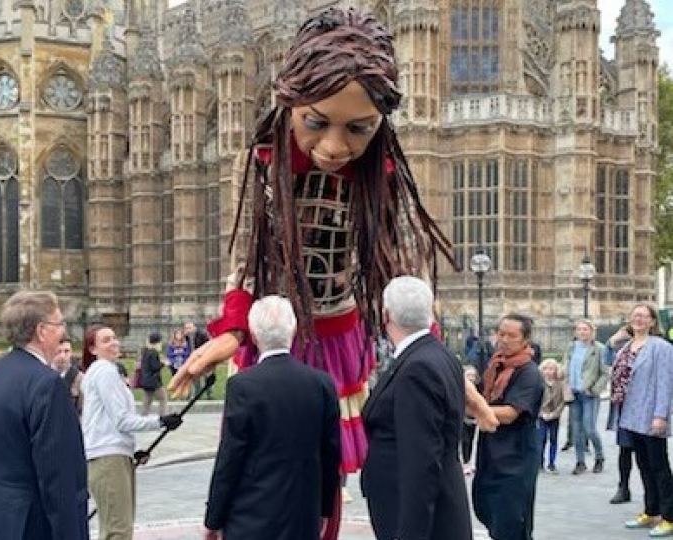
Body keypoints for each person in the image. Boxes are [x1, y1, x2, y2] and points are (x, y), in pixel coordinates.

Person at [168, 8, 496, 537]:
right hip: (281, 328)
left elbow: (395, 268)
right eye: (316, 123)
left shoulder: (379, 174)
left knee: (327, 467)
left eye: (359, 128)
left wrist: (444, 365)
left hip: (341, 331)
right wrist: (228, 332)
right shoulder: (260, 163)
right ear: (289, 103)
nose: (335, 146)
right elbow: (245, 261)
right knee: (270, 454)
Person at [203, 295, 340, 540]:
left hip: (252, 515)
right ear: (294, 330)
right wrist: (324, 510)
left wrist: (213, 519)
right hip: (302, 515)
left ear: (253, 335)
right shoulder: (322, 383)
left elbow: (231, 457)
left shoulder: (242, 385)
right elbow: (330, 455)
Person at [361, 276, 471, 540]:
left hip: (418, 518)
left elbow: (420, 458)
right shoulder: (439, 355)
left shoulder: (416, 369)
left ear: (386, 315)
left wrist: (410, 533)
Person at [0, 291, 88, 540]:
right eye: (59, 324)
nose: (63, 333)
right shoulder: (47, 385)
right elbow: (58, 475)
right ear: (42, 331)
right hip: (34, 524)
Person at [81, 325, 183, 540]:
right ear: (92, 349)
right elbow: (122, 420)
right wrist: (161, 421)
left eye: (114, 337)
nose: (114, 342)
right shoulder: (104, 371)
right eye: (106, 340)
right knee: (118, 531)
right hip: (107, 457)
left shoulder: (108, 371)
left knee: (117, 528)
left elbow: (109, 421)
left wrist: (131, 451)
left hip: (113, 455)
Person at [472, 313, 544, 540]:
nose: (503, 339)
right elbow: (478, 394)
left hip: (516, 458)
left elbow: (510, 413)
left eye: (510, 335)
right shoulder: (495, 366)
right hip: (491, 454)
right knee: (489, 511)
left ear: (525, 340)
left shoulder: (529, 373)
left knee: (512, 522)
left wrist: (475, 408)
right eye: (500, 333)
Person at [615, 303, 673, 537]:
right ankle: (651, 510)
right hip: (630, 415)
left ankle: (669, 516)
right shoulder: (626, 347)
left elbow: (666, 383)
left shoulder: (661, 347)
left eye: (643, 316)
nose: (638, 319)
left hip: (651, 415)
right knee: (643, 465)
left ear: (652, 321)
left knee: (659, 467)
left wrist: (661, 415)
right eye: (635, 315)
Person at [561, 319, 607, 475]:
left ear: (592, 331)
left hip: (589, 394)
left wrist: (595, 389)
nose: (582, 332)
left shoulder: (599, 348)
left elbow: (606, 372)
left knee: (590, 428)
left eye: (585, 329)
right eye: (579, 329)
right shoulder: (571, 348)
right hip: (573, 393)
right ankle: (580, 461)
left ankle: (599, 457)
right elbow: (565, 367)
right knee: (577, 430)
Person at [604, 324, 634, 504]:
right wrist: (612, 341)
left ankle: (655, 497)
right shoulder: (622, 349)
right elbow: (607, 360)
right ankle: (623, 487)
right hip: (623, 404)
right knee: (625, 450)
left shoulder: (652, 346)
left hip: (641, 405)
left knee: (648, 456)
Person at [538, 358, 565, 474]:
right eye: (546, 369)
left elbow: (563, 402)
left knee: (553, 439)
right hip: (541, 415)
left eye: (551, 369)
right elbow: (535, 400)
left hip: (554, 415)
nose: (549, 372)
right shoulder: (539, 383)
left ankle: (552, 463)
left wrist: (554, 414)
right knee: (541, 439)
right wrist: (542, 413)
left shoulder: (560, 384)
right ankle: (539, 462)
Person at [50, 336, 83, 414]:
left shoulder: (80, 379)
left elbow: (82, 410)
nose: (62, 356)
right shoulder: (42, 376)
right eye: (58, 351)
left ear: (71, 353)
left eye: (66, 351)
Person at [139, 332, 168, 416]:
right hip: (154, 381)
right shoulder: (153, 352)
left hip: (146, 380)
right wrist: (163, 363)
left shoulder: (145, 351)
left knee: (147, 401)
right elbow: (155, 367)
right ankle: (163, 416)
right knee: (163, 398)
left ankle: (143, 417)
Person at [184, 321, 212, 399]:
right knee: (195, 376)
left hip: (203, 357)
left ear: (194, 328)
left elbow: (208, 345)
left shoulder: (202, 334)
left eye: (189, 328)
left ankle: (209, 394)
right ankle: (197, 393)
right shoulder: (186, 337)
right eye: (186, 328)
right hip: (193, 359)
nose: (188, 330)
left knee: (207, 376)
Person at [462, 365, 479, 475]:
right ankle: (465, 463)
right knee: (465, 441)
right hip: (463, 419)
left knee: (473, 441)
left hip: (473, 419)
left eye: (473, 375)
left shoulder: (478, 389)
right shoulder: (460, 388)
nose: (471, 378)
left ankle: (470, 463)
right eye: (469, 375)